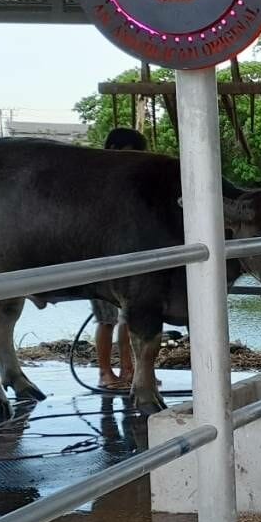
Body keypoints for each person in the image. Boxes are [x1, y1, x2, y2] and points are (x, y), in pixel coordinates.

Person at [92, 127, 149, 389]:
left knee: (128, 319)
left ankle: (129, 369)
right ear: (114, 150)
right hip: (101, 260)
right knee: (106, 320)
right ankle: (105, 372)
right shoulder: (97, 182)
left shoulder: (131, 182)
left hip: (128, 259)